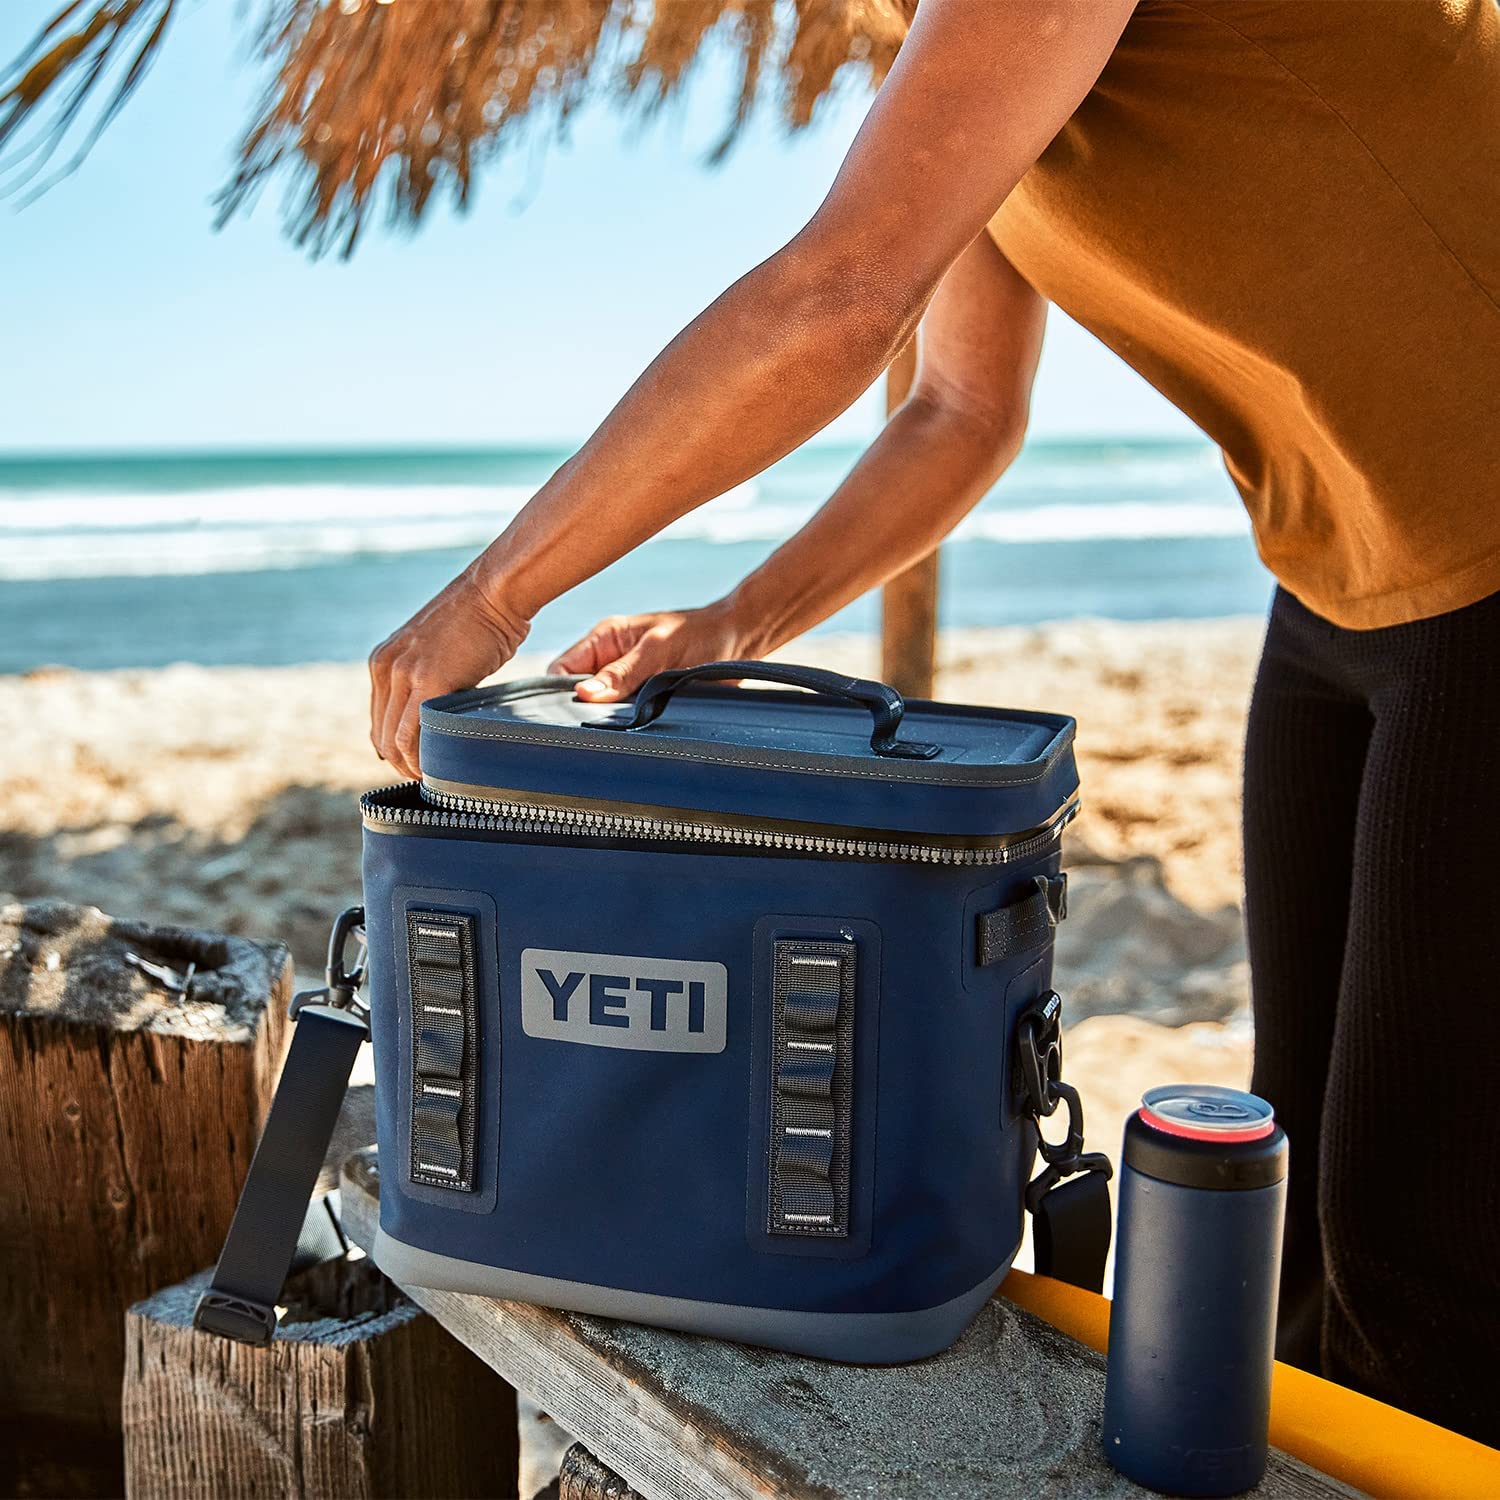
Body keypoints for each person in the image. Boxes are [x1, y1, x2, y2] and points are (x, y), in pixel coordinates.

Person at [368, 0, 1500, 1443]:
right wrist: (736, 624)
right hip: (1341, 579)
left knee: (1420, 1243)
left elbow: (843, 292)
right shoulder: (938, 33)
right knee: (1309, 1218)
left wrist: (496, 592)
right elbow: (959, 408)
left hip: (1482, 568)